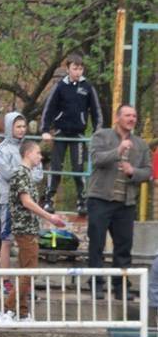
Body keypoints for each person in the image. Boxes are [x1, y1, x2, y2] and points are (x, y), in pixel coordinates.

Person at [0, 140, 65, 322]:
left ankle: (22, 313)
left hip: (29, 229)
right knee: (29, 271)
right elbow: (27, 202)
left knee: (25, 271)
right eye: (37, 153)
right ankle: (6, 310)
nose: (40, 156)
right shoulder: (21, 174)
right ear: (28, 153)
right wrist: (49, 217)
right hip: (25, 229)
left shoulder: (27, 174)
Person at [87, 105, 151, 300]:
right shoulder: (102, 136)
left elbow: (148, 172)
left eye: (134, 116)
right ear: (117, 118)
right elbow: (96, 159)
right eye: (127, 115)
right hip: (100, 199)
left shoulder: (141, 144)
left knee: (124, 247)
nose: (132, 119)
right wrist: (118, 150)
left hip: (126, 202)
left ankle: (121, 286)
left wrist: (133, 172)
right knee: (96, 244)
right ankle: (96, 284)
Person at [41, 54, 102, 216]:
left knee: (78, 168)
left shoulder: (87, 87)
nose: (78, 72)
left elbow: (96, 110)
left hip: (78, 135)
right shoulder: (60, 86)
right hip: (60, 133)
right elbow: (49, 108)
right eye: (75, 68)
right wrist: (45, 130)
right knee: (56, 167)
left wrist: (97, 131)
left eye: (80, 69)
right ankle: (49, 200)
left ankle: (82, 201)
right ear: (68, 69)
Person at [0, 112, 43, 288]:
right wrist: (25, 170)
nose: (22, 130)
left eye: (23, 126)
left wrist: (23, 172)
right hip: (9, 200)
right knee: (7, 240)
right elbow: (7, 174)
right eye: (18, 126)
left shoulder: (30, 147)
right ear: (10, 127)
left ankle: (25, 285)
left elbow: (39, 175)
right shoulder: (1, 149)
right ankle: (5, 282)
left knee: (27, 242)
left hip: (29, 200)